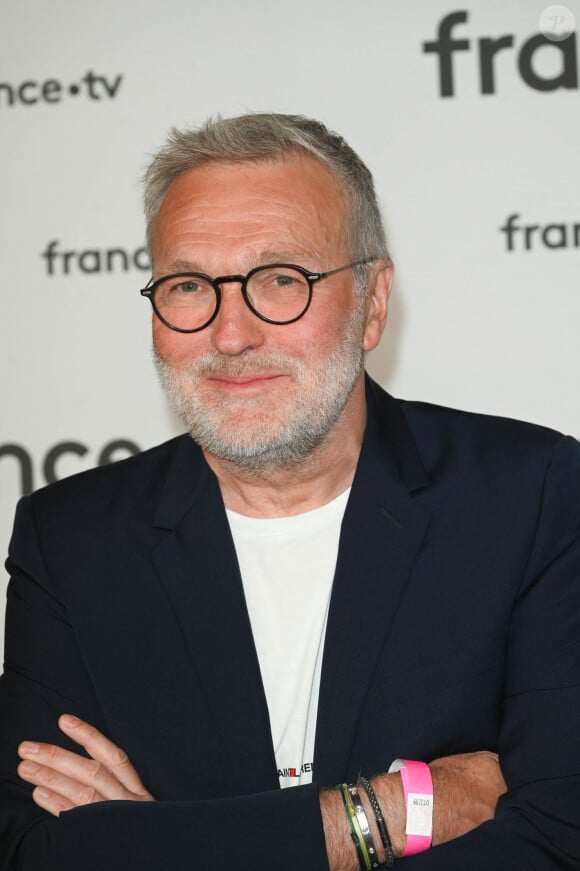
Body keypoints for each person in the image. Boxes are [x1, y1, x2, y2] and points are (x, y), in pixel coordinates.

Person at [0, 113, 579, 870]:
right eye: (188, 285)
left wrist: (162, 839)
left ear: (372, 302)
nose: (231, 334)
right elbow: (36, 853)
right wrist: (381, 814)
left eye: (282, 280)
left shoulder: (528, 496)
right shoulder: (72, 540)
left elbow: (558, 838)